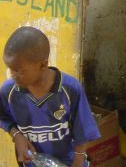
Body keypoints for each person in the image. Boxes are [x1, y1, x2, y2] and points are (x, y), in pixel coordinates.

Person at [0, 27, 100, 166]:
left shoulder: (70, 89)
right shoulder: (8, 92)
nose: (13, 75)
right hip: (33, 162)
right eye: (10, 68)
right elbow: (3, 117)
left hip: (69, 162)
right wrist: (17, 136)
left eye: (19, 71)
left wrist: (77, 163)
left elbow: (82, 131)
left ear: (43, 65)